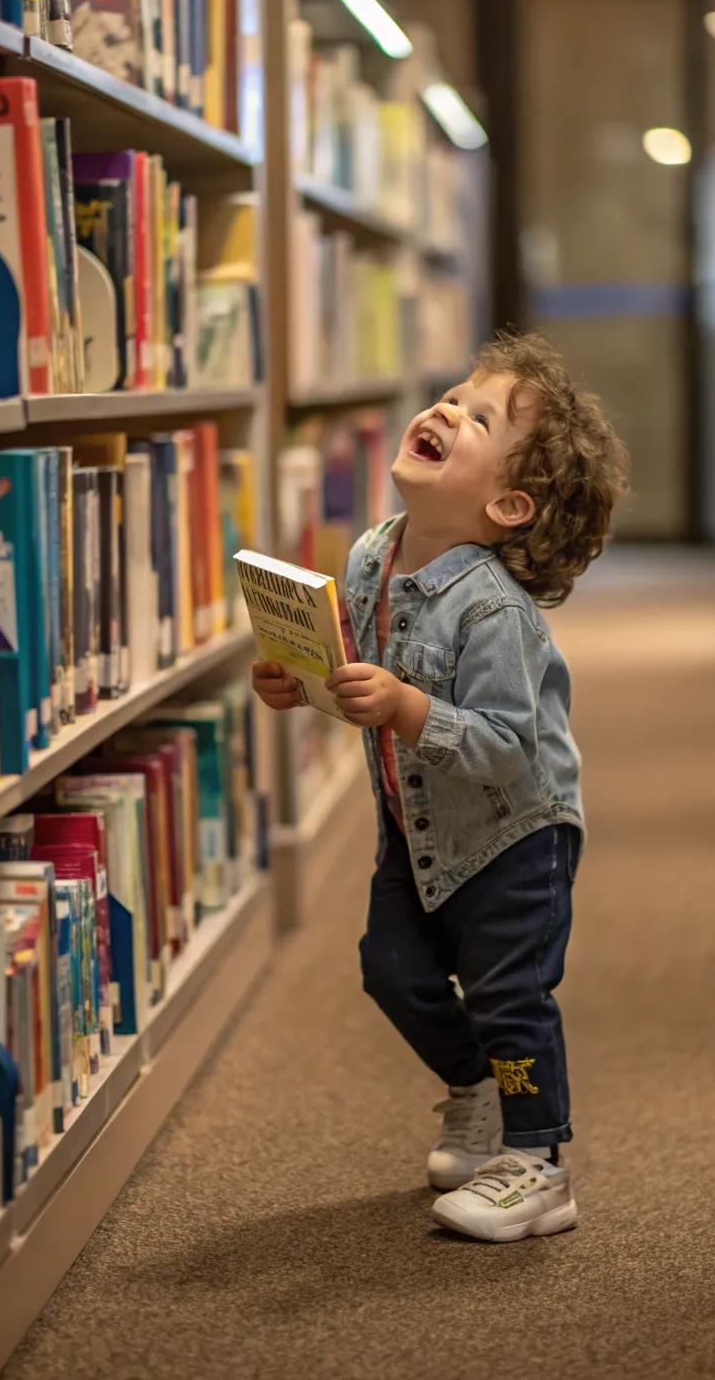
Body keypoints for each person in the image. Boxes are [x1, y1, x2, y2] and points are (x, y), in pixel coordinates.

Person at [252, 332, 628, 1242]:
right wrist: (303, 682)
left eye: (479, 416)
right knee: (392, 970)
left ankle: (538, 1165)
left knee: (511, 999)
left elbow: (507, 748)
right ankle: (479, 1092)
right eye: (456, 395)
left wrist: (408, 706)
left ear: (507, 503)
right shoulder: (376, 555)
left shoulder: (495, 612)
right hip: (416, 821)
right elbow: (365, 680)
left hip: (513, 836)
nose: (448, 410)